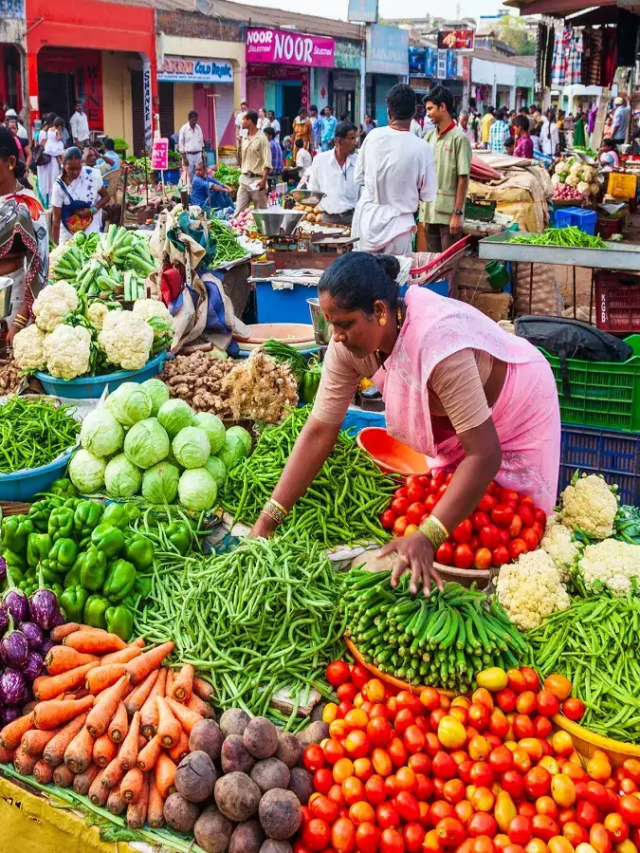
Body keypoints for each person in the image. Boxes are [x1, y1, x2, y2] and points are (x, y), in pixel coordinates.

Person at [249, 252, 561, 593]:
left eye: (345, 324)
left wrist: (428, 535)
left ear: (381, 311)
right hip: (457, 427)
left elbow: (485, 455)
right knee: (463, 517)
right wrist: (268, 520)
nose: (335, 335)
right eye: (330, 324)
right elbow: (319, 431)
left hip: (517, 407)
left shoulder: (437, 340)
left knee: (517, 531)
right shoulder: (347, 348)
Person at [352, 83, 436, 255]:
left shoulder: (372, 136)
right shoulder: (422, 148)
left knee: (363, 279)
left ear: (389, 112)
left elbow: (359, 178)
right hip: (399, 228)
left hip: (366, 223)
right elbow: (428, 194)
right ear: (414, 113)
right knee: (395, 279)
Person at [0, 126, 47, 344]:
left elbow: (41, 267)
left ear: (10, 161)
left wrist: (20, 320)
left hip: (13, 302)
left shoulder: (28, 206)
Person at [422, 85, 471, 255]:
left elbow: (463, 179)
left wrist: (457, 213)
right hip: (429, 212)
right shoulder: (429, 137)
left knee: (449, 266)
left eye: (430, 109)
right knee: (432, 265)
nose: (427, 114)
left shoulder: (460, 138)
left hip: (449, 215)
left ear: (442, 107)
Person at [50, 147, 109, 245]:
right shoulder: (59, 187)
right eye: (71, 169)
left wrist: (92, 210)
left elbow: (106, 197)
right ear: (64, 165)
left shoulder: (91, 175)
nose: (75, 172)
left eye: (78, 168)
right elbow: (56, 220)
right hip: (68, 236)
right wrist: (55, 247)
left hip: (91, 233)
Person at [307, 121, 360, 218]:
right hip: (327, 219)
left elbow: (364, 194)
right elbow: (313, 190)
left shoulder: (359, 161)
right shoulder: (320, 160)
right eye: (352, 138)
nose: (355, 143)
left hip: (354, 219)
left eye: (356, 138)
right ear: (339, 141)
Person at [236, 108, 271, 214]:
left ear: (250, 121)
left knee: (261, 214)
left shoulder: (262, 139)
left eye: (243, 119)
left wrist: (263, 180)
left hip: (257, 181)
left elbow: (267, 162)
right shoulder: (244, 137)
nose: (241, 122)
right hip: (244, 179)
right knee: (239, 212)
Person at [178, 110, 204, 183]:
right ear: (189, 119)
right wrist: (184, 158)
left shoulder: (198, 128)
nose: (195, 122)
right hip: (188, 155)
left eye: (196, 120)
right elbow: (181, 144)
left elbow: (201, 143)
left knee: (199, 173)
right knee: (190, 174)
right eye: (193, 120)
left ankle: (198, 189)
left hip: (198, 154)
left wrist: (203, 155)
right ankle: (191, 191)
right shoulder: (184, 129)